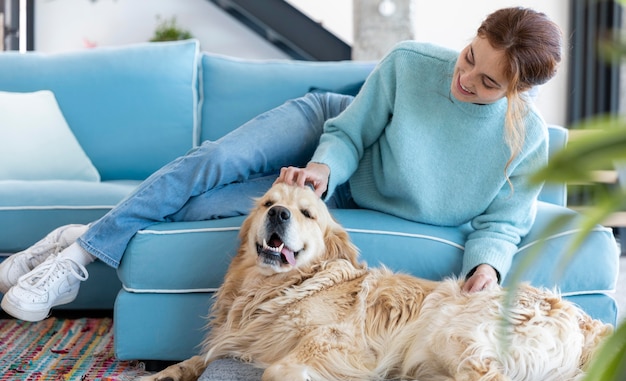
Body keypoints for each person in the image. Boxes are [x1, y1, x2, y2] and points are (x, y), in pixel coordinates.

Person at [0, 7, 563, 322]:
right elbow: (351, 131)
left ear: (517, 94)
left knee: (198, 208)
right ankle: (74, 260)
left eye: (488, 82)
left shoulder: (527, 139)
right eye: (469, 57)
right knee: (214, 162)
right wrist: (320, 169)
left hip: (345, 196)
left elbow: (504, 221)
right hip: (329, 132)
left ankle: (77, 235)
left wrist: (486, 267)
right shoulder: (412, 62)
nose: (465, 78)